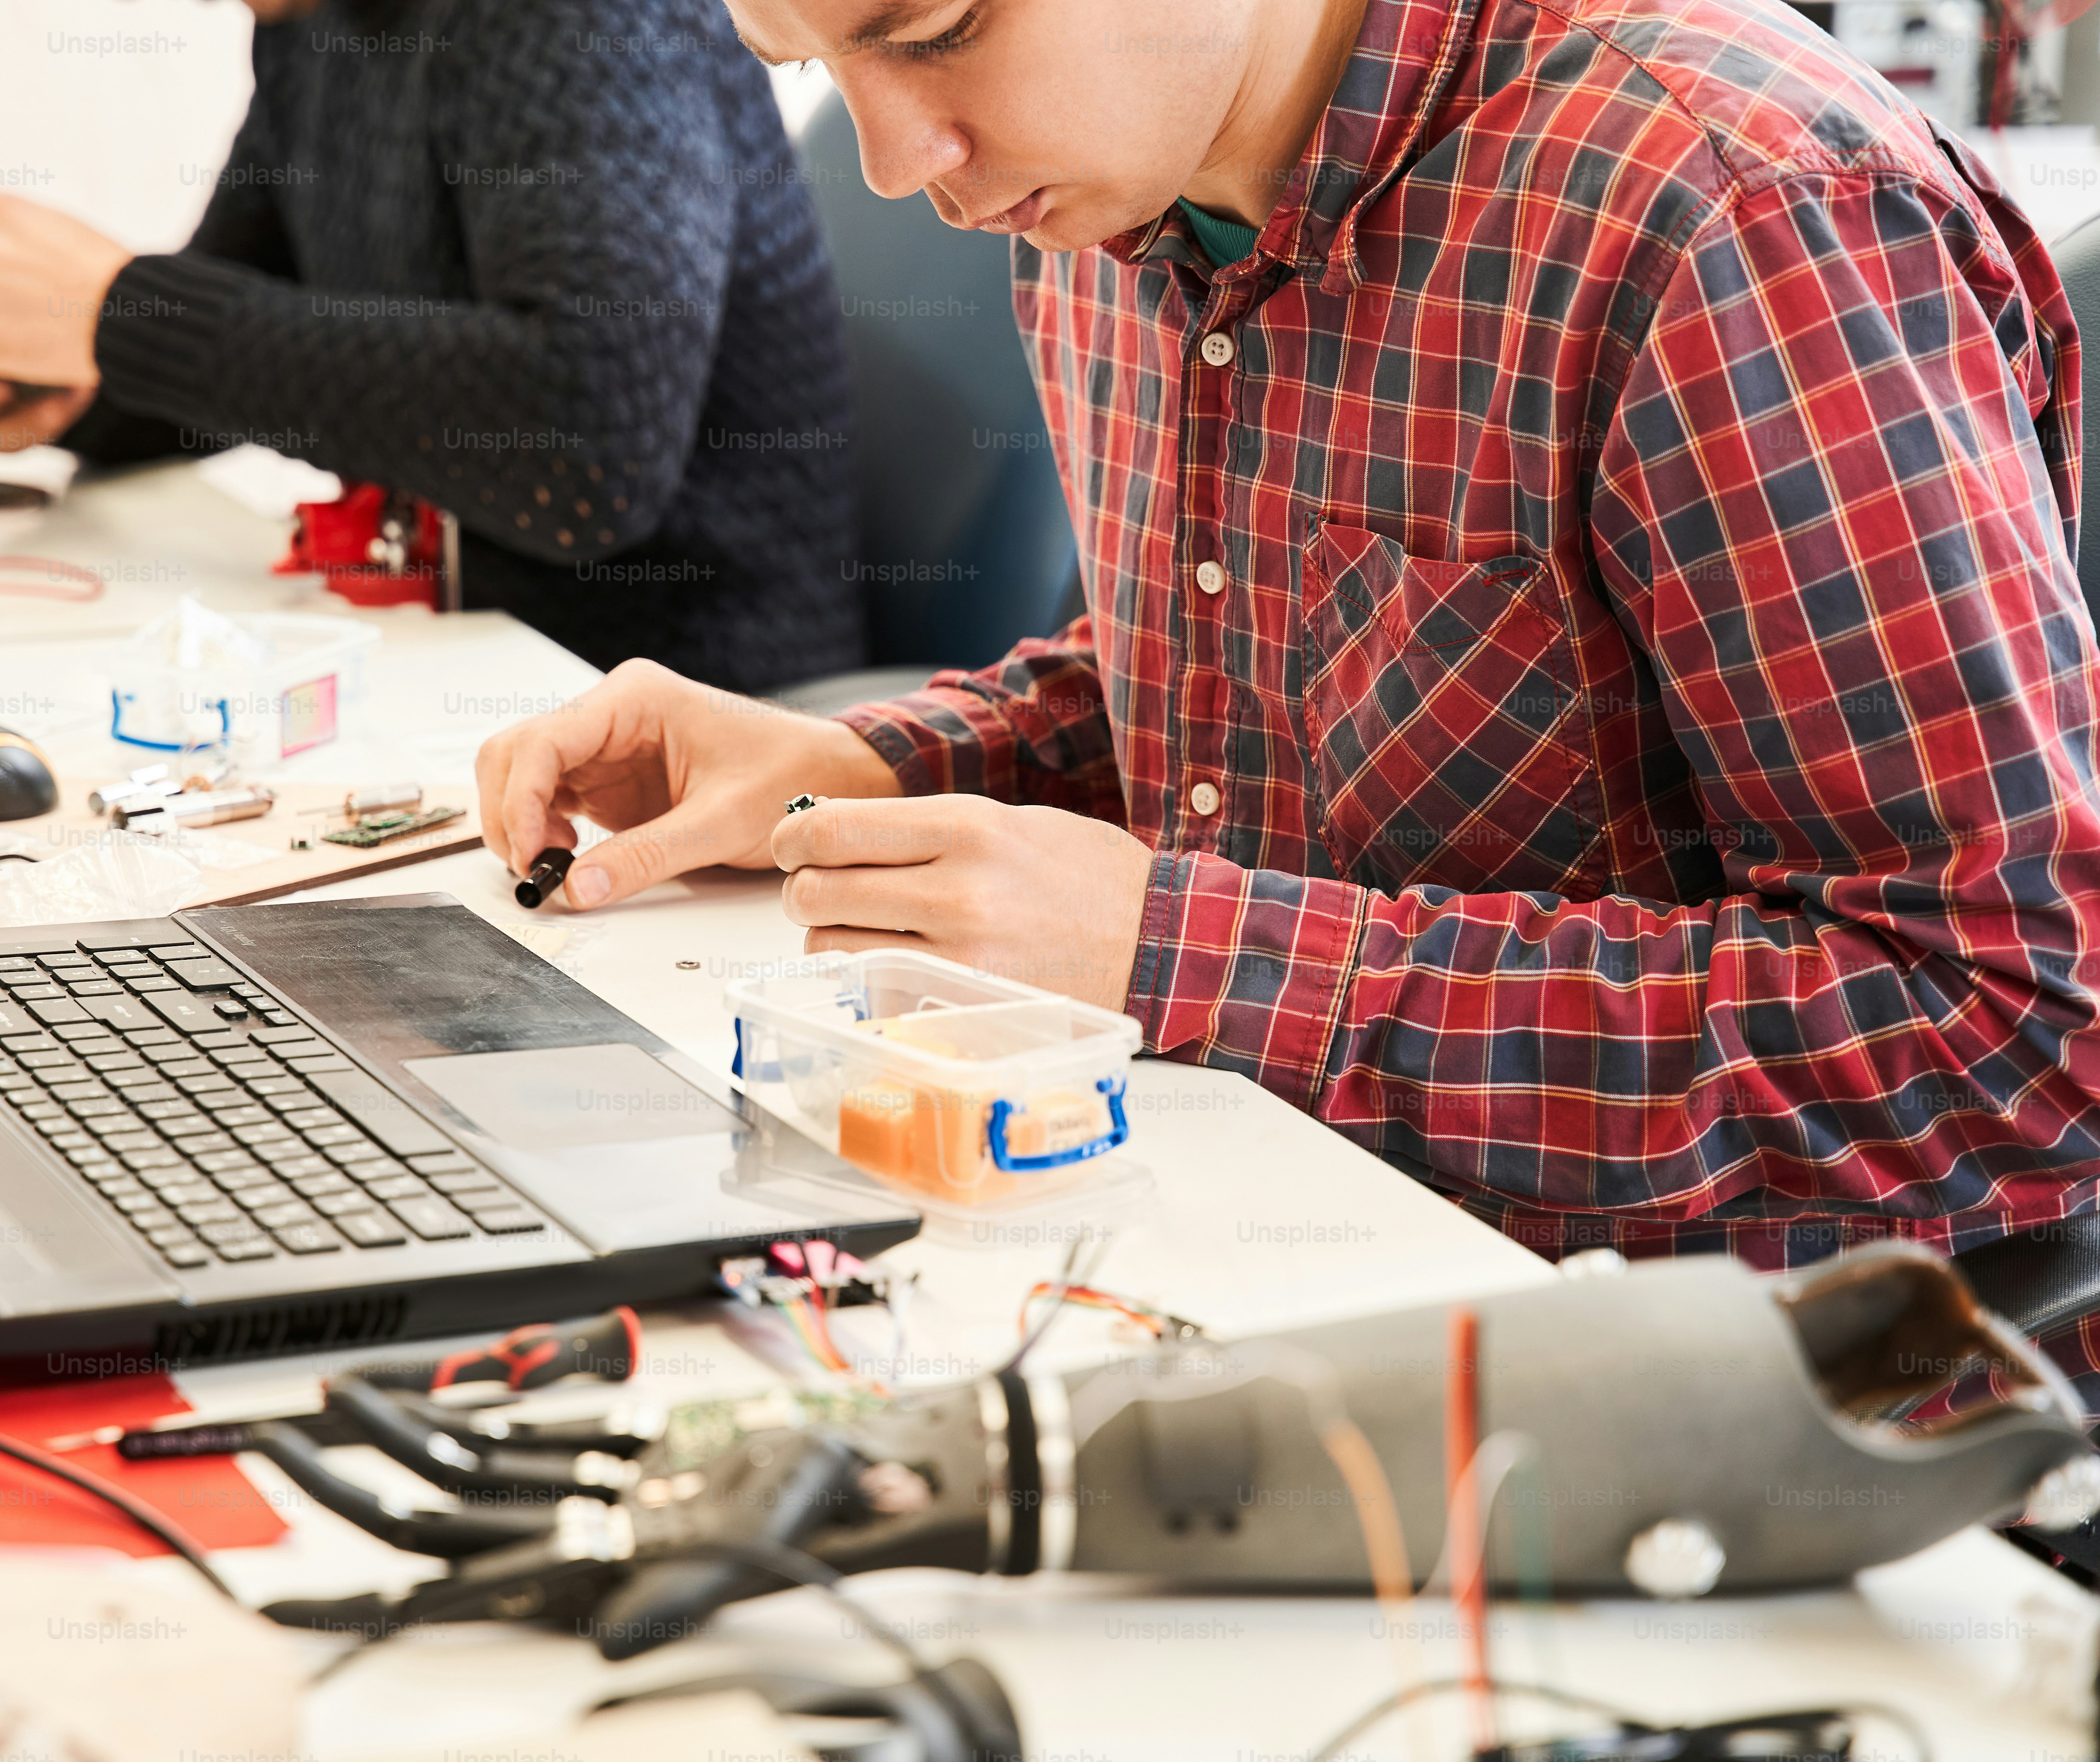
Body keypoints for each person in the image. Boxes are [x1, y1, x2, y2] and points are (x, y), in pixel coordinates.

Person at [477, 0, 2100, 1399]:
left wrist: (1178, 954)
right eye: (811, 61)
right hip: (1262, 1253)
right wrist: (870, 763)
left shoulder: (1733, 213)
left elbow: (2016, 1028)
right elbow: (1258, 688)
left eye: (934, 31)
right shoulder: (1106, 195)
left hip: (1746, 1400)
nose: (902, 168)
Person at [0, 0, 861, 693]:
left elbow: (588, 444)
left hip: (681, 698)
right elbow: (249, 312)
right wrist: (78, 374)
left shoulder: (583, 23)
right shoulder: (311, 21)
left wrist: (121, 312)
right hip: (462, 662)